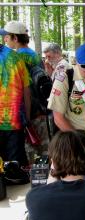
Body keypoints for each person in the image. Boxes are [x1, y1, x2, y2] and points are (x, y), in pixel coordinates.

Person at [0, 21, 50, 158]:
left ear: (15, 38)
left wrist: (26, 116)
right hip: (41, 109)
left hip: (26, 113)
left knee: (29, 155)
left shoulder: (16, 57)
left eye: (6, 36)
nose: (4, 39)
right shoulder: (35, 55)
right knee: (44, 153)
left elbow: (24, 89)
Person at [0, 43, 31, 167]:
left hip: (13, 121)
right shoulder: (16, 57)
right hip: (15, 121)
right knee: (16, 168)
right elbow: (26, 90)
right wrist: (27, 117)